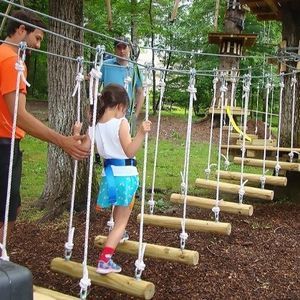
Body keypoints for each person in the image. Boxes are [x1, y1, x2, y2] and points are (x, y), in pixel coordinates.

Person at [0, 10, 90, 246]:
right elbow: (19, 116)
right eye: (37, 38)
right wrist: (63, 141)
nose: (39, 45)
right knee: (6, 211)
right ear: (21, 30)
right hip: (3, 145)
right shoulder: (12, 62)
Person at [90, 83, 151, 274]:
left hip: (108, 177)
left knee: (119, 209)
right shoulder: (121, 122)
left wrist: (76, 133)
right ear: (119, 107)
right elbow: (130, 150)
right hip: (125, 176)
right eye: (124, 109)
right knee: (122, 220)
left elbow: (86, 146)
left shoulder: (96, 125)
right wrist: (141, 133)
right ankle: (105, 260)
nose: (123, 113)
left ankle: (119, 234)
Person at [100, 36, 144, 134]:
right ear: (115, 49)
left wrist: (135, 115)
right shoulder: (106, 65)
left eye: (124, 47)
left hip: (127, 113)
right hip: (107, 112)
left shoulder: (135, 68)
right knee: (106, 142)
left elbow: (140, 92)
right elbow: (95, 87)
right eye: (119, 48)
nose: (122, 51)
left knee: (126, 146)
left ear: (129, 48)